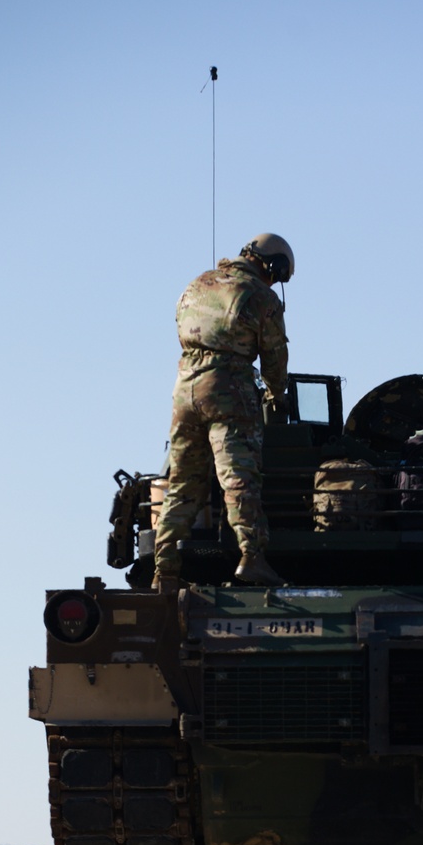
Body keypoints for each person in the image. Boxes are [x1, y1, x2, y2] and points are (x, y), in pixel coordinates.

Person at [152, 233, 294, 592]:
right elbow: (274, 357)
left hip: (184, 389)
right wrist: (276, 394)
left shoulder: (197, 284)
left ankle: (164, 570)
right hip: (228, 390)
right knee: (239, 476)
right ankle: (252, 557)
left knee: (183, 482)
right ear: (272, 266)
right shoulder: (260, 296)